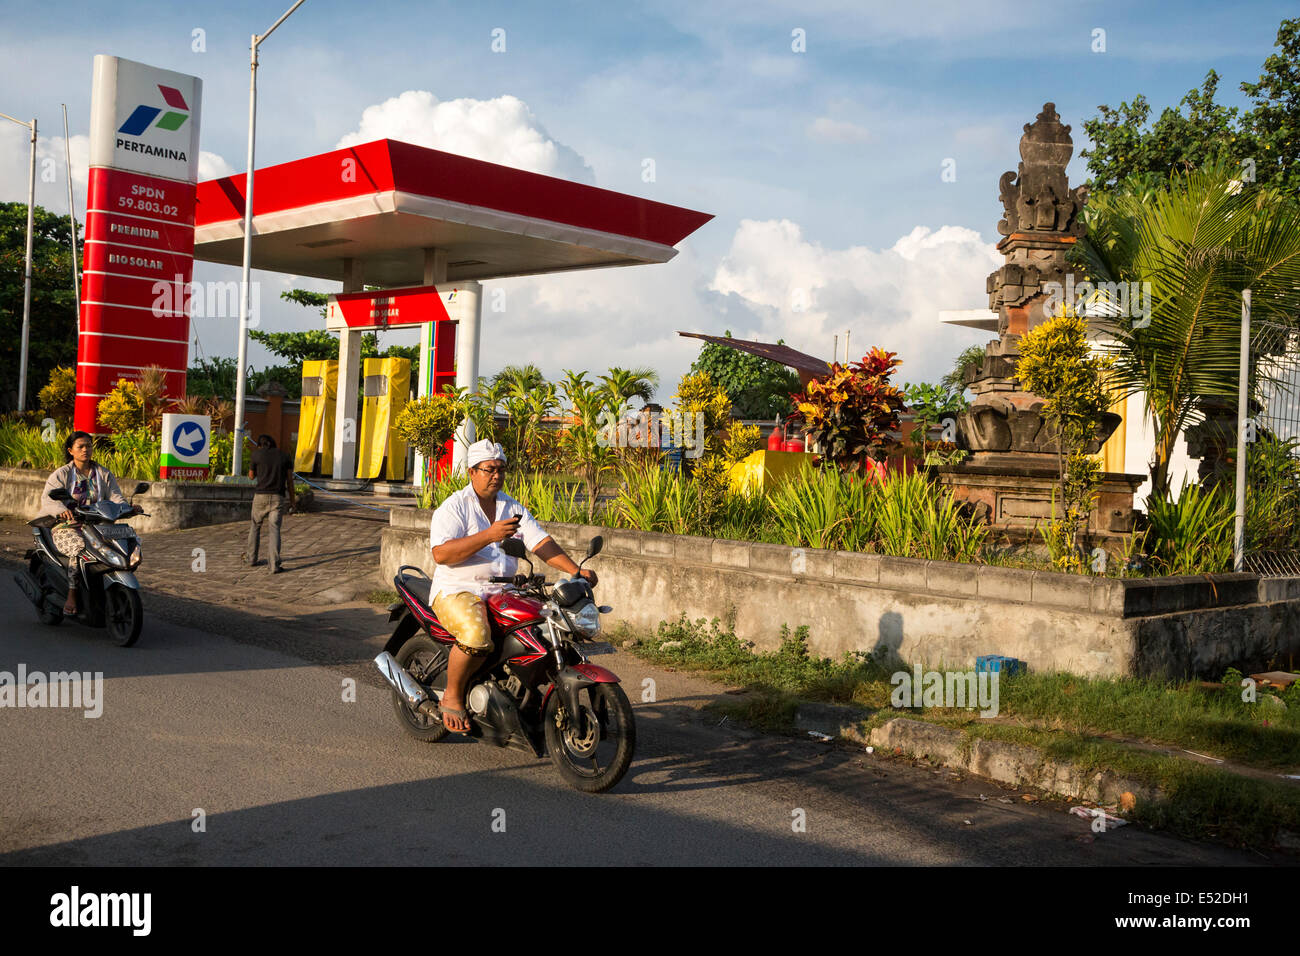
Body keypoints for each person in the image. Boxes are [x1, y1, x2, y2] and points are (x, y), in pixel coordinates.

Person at [429, 439, 597, 734]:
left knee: (543, 627)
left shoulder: (512, 507)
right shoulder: (454, 506)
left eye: (501, 469)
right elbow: (442, 554)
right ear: (472, 472)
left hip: (503, 591)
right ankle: (452, 694)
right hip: (458, 589)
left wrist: (575, 569)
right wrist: (488, 535)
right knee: (476, 635)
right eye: (489, 469)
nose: (496, 475)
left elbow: (540, 542)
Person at [37, 431, 136, 614]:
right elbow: (48, 498)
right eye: (80, 447)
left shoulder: (103, 473)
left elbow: (116, 497)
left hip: (97, 526)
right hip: (68, 526)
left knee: (121, 546)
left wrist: (128, 508)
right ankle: (72, 595)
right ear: (71, 450)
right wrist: (62, 511)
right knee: (79, 550)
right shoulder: (62, 474)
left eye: (88, 446)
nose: (85, 450)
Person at [244, 433, 296, 573]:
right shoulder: (284, 456)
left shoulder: (256, 455)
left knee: (255, 526)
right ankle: (274, 565)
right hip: (277, 498)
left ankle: (251, 559)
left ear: (260, 445)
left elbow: (250, 476)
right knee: (274, 530)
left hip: (260, 497)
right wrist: (292, 501)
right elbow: (290, 481)